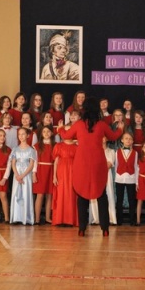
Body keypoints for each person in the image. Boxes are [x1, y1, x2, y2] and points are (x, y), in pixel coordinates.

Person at [58, 96, 124, 236]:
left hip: (81, 161)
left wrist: (60, 129)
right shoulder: (101, 124)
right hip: (98, 161)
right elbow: (113, 136)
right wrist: (120, 129)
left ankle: (82, 229)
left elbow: (66, 136)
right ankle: (105, 228)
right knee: (101, 194)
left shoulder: (79, 124)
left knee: (81, 194)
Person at [9, 127, 37, 225]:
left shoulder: (31, 150)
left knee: (25, 194)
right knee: (16, 194)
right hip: (17, 174)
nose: (21, 136)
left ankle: (26, 218)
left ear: (28, 135)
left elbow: (31, 164)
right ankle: (16, 217)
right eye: (19, 134)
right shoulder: (15, 149)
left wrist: (23, 175)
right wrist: (17, 175)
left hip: (26, 174)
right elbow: (13, 163)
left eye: (23, 134)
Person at [89, 136, 116, 226]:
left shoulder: (111, 151)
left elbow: (109, 164)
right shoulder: (93, 150)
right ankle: (96, 218)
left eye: (104, 137)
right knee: (94, 195)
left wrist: (98, 167)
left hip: (106, 175)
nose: (102, 139)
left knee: (108, 194)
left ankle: (110, 218)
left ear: (107, 138)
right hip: (95, 175)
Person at [51, 135, 78, 227]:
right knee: (61, 194)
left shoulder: (76, 147)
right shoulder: (58, 146)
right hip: (61, 172)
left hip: (73, 172)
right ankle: (59, 219)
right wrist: (54, 176)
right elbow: (56, 162)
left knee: (71, 194)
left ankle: (70, 220)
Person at [114, 133, 138, 226]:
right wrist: (117, 175)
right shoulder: (117, 152)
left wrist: (136, 181)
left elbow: (135, 167)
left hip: (131, 178)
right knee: (119, 200)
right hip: (119, 178)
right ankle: (119, 220)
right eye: (126, 138)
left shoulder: (135, 153)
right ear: (122, 140)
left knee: (131, 200)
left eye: (130, 139)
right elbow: (116, 165)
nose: (128, 140)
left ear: (132, 141)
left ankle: (132, 220)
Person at [33, 125, 55, 225]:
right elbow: (35, 160)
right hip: (40, 170)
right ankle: (37, 219)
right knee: (40, 195)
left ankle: (47, 217)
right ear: (41, 134)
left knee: (49, 195)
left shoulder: (55, 145)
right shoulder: (37, 146)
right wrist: (34, 173)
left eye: (48, 131)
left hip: (51, 170)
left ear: (52, 133)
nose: (46, 133)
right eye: (44, 131)